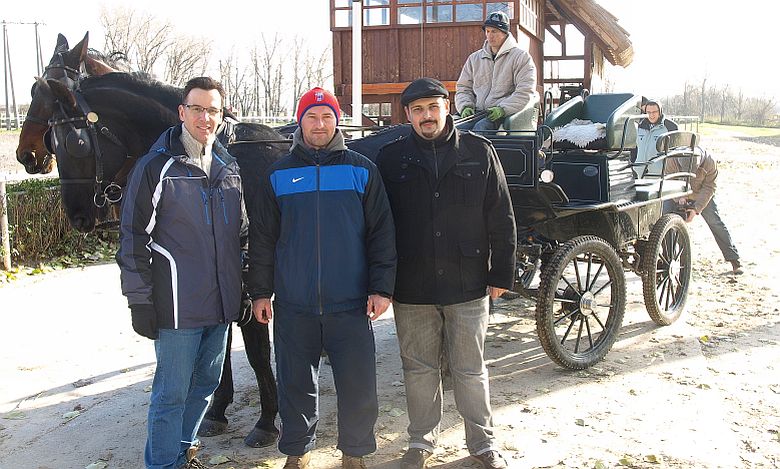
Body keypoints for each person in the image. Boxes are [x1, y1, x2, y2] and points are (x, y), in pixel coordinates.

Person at [247, 87, 397, 469]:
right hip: (294, 304)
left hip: (350, 302)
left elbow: (381, 234)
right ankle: (297, 452)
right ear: (300, 122)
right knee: (295, 384)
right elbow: (263, 238)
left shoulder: (361, 170)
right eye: (311, 117)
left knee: (358, 385)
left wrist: (381, 288)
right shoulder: (278, 174)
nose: (319, 124)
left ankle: (355, 454)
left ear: (336, 121)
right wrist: (260, 292)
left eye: (327, 116)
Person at [376, 78, 517, 469]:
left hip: (467, 282)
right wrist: (382, 282)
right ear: (408, 115)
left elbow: (502, 216)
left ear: (447, 108)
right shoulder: (391, 159)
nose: (427, 116)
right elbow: (379, 226)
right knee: (419, 370)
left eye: (433, 107)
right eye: (418, 110)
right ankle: (420, 443)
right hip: (413, 285)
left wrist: (501, 274)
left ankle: (483, 444)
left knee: (470, 369)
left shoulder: (479, 152)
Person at [116, 77, 244, 469]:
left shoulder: (228, 167)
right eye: (198, 109)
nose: (206, 118)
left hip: (220, 306)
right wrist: (139, 300)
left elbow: (241, 235)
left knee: (205, 385)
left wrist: (242, 288)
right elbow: (133, 237)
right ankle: (162, 464)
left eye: (213, 110)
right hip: (176, 306)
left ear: (221, 116)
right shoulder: (156, 167)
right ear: (182, 112)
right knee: (171, 394)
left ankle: (182, 453)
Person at [455, 11, 538, 132]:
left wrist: (503, 109)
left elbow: (525, 91)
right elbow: (463, 88)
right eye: (487, 31)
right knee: (454, 129)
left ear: (505, 33)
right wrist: (465, 106)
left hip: (504, 115)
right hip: (477, 112)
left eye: (494, 31)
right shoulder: (474, 58)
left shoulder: (521, 57)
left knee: (480, 129)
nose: (490, 36)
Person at [666, 149, 743, 274]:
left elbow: (709, 187)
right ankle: (666, 260)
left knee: (715, 222)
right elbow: (669, 180)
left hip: (701, 194)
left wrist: (696, 208)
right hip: (678, 192)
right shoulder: (672, 159)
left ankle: (735, 260)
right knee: (665, 221)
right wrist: (679, 198)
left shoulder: (709, 162)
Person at [633, 99, 678, 177]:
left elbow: (676, 152)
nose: (651, 115)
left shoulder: (670, 127)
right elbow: (635, 148)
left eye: (654, 112)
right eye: (648, 112)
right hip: (640, 173)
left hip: (661, 175)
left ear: (660, 112)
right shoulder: (639, 126)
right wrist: (634, 166)